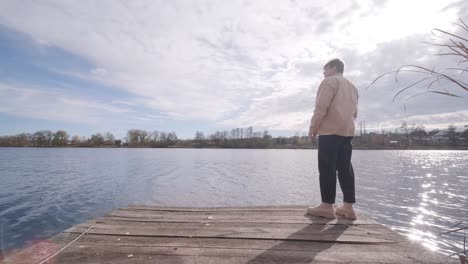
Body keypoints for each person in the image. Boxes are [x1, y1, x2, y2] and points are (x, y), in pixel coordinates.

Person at [307, 58, 359, 220]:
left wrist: (313, 129)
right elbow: (355, 112)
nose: (324, 73)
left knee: (327, 168)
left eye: (325, 69)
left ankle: (326, 206)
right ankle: (348, 208)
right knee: (345, 168)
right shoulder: (353, 87)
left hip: (330, 131)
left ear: (334, 68)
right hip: (347, 131)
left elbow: (321, 108)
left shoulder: (329, 82)